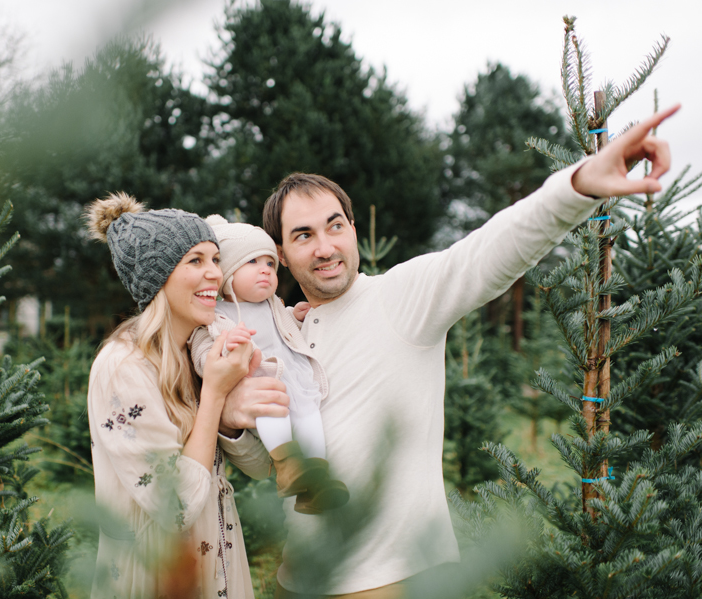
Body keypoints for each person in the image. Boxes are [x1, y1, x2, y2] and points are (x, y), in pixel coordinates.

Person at [217, 106, 681, 598]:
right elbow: (264, 466)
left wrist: (580, 183)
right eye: (303, 235)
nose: (325, 247)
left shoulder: (401, 297)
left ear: (353, 228)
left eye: (334, 226)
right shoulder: (280, 333)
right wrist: (232, 421)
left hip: (390, 580)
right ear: (282, 254)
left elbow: (489, 252)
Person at [84, 192, 272, 599]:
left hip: (218, 555)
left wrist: (231, 416)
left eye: (215, 259)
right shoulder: (123, 368)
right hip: (160, 574)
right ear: (158, 277)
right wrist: (216, 397)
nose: (215, 275)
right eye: (195, 261)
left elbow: (260, 468)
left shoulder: (202, 356)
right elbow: (176, 507)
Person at [188, 215, 349, 515]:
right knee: (271, 410)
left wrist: (296, 317)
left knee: (309, 416)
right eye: (252, 262)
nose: (265, 270)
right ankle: (286, 465)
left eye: (270, 264)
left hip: (295, 377)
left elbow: (281, 325)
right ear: (227, 273)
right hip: (261, 382)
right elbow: (200, 352)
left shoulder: (273, 304)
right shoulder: (217, 314)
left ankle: (317, 477)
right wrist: (225, 346)